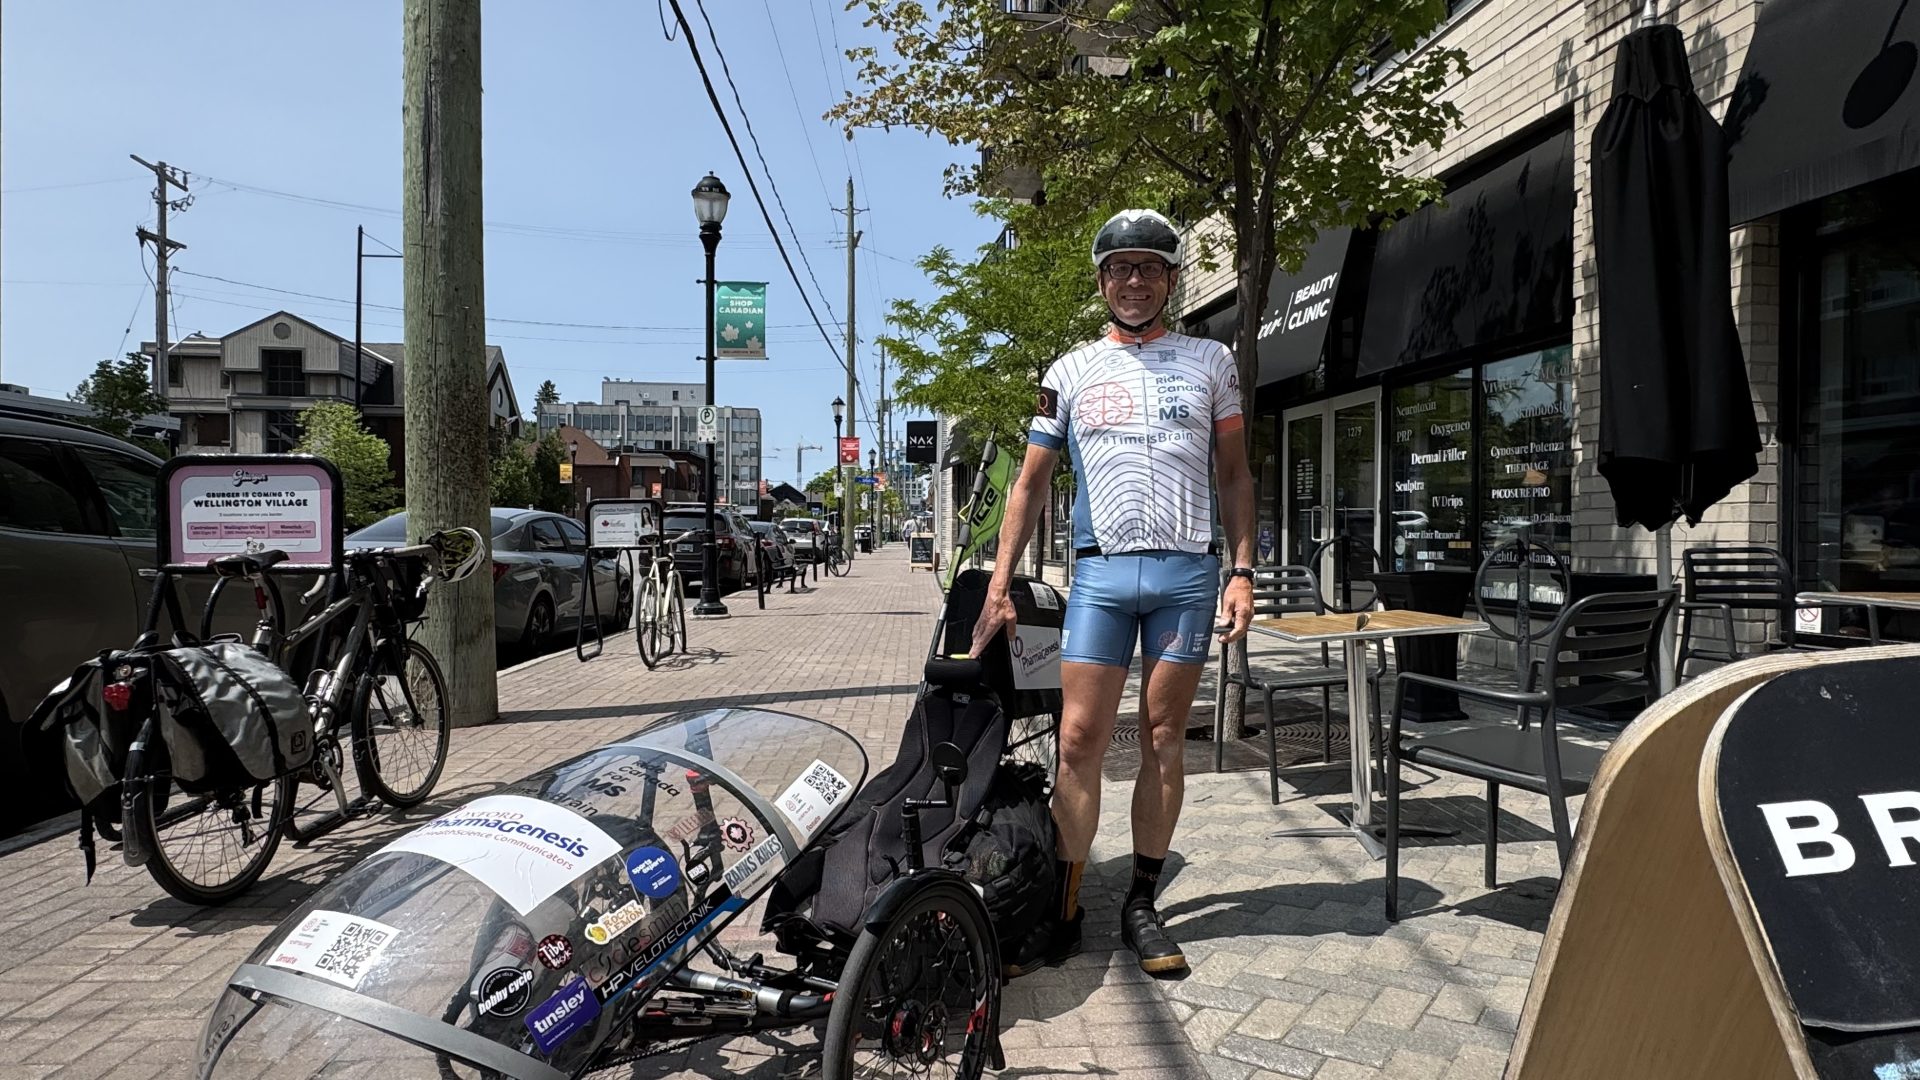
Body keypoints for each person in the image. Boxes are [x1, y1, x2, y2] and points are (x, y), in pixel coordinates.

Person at [970, 208, 1255, 975]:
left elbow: (1234, 475)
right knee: (1079, 741)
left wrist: (1242, 571)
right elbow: (1028, 486)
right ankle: (1063, 907)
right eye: (1120, 268)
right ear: (1102, 280)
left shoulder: (1212, 361)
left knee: (1164, 738)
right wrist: (1000, 584)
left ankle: (1140, 903)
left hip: (1186, 576)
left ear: (1170, 278)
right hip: (1099, 573)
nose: (1134, 280)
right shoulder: (1067, 371)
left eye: (1150, 267)